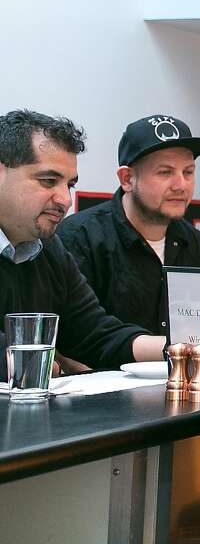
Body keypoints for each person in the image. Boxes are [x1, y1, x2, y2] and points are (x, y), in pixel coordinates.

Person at [0, 110, 167, 369]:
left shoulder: (48, 246)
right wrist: (27, 361)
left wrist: (179, 348)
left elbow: (93, 334)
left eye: (69, 185)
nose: (65, 200)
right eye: (48, 181)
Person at [58, 115, 200, 335]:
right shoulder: (80, 237)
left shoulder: (192, 240)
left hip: (175, 369)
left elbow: (196, 329)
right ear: (127, 179)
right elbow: (71, 338)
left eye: (188, 172)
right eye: (165, 172)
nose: (181, 185)